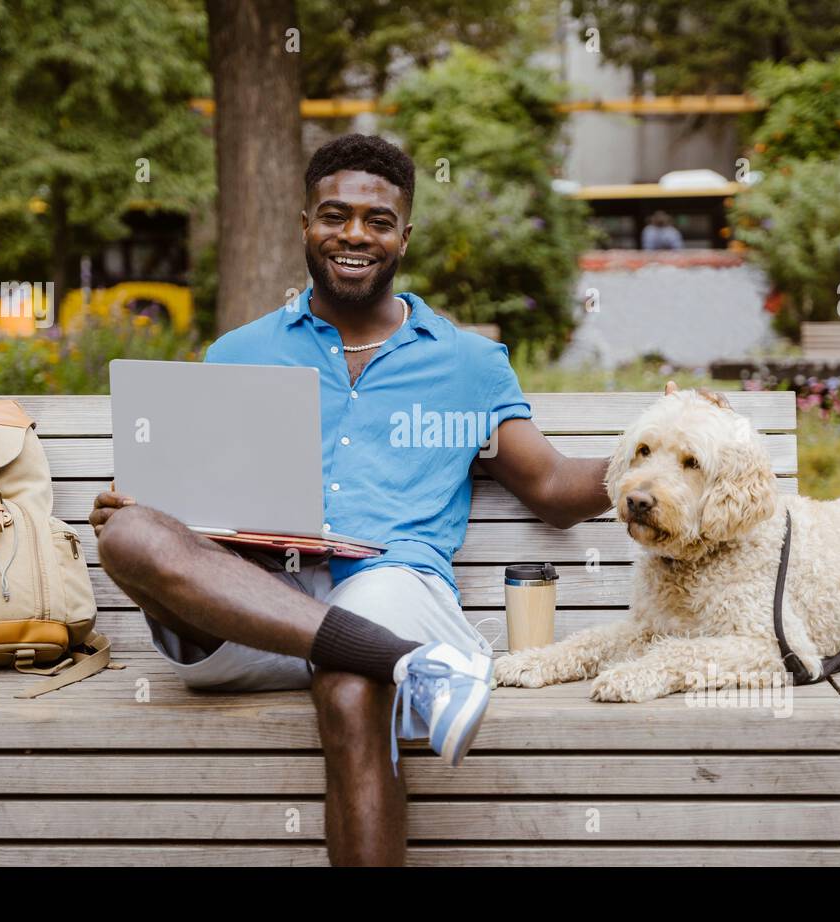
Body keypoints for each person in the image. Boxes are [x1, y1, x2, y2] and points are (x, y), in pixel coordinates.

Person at [92, 133, 611, 866]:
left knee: (348, 682)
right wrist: (141, 506)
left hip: (391, 584)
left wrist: (661, 451)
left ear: (405, 235)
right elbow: (185, 506)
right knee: (128, 537)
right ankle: (413, 666)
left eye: (378, 220)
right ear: (305, 223)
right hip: (250, 602)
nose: (354, 235)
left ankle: (377, 656)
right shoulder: (238, 353)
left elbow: (553, 489)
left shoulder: (466, 363)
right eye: (334, 216)